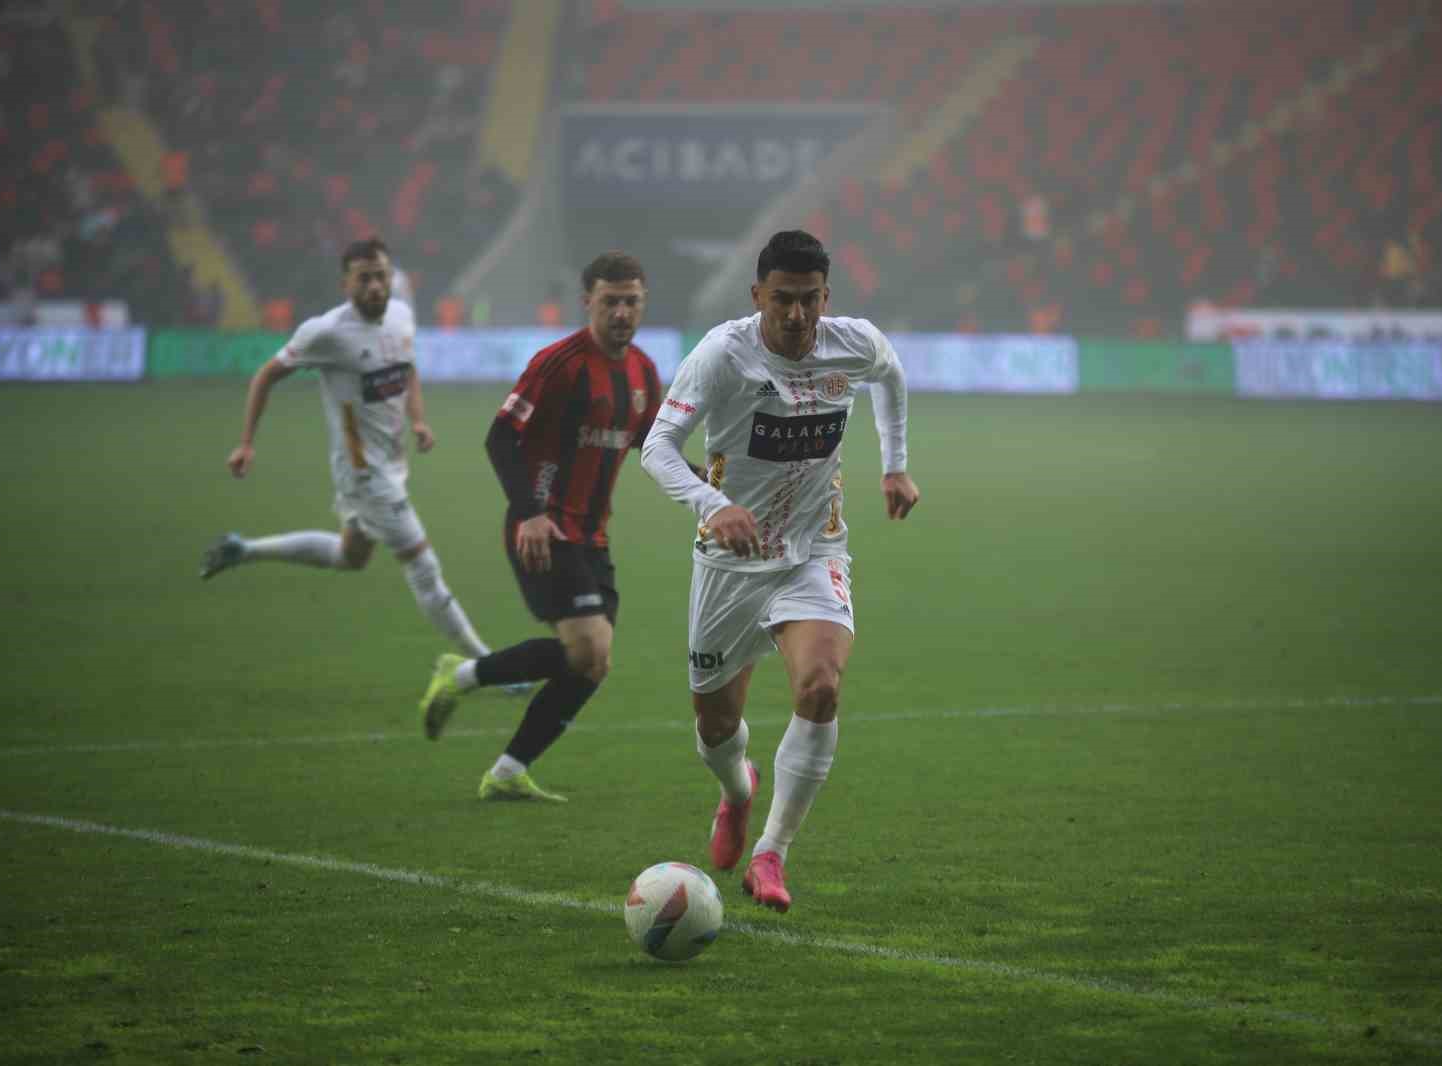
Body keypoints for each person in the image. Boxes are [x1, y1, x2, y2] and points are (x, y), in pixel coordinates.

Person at [639, 230, 919, 912]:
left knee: (821, 688)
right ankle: (736, 793)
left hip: (814, 550)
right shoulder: (723, 355)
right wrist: (714, 504)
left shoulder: (852, 342)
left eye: (809, 301)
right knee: (714, 727)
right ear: (756, 295)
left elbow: (891, 376)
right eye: (782, 300)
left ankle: (771, 854)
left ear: (826, 296)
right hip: (730, 563)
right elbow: (658, 447)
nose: (796, 316)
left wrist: (894, 464)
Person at [417, 252, 698, 802]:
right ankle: (462, 675)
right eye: (611, 300)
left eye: (632, 301)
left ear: (644, 303)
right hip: (542, 528)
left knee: (592, 664)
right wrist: (530, 513)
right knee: (587, 647)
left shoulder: (641, 371)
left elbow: (651, 445)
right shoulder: (559, 363)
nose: (622, 312)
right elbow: (500, 437)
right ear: (587, 301)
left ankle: (505, 770)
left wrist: (704, 482)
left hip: (593, 534)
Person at [199, 237, 497, 665]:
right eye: (364, 279)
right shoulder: (327, 333)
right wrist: (246, 442)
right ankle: (487, 665)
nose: (375, 286)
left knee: (351, 556)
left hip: (391, 464)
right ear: (346, 284)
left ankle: (243, 549)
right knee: (423, 566)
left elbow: (407, 368)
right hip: (365, 474)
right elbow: (265, 376)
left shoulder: (400, 315)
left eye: (382, 276)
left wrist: (418, 419)